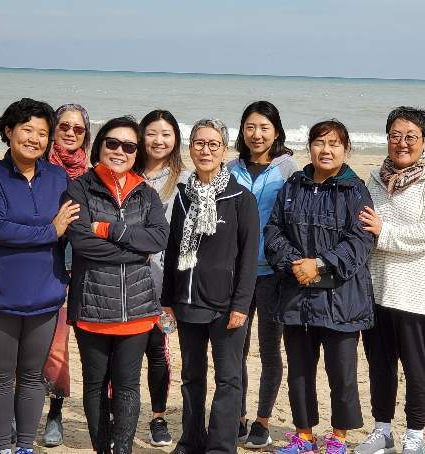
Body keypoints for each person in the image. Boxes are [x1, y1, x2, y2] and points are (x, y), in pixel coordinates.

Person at [0, 98, 81, 454]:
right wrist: (49, 230)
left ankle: (24, 447)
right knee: (0, 376)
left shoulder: (57, 178)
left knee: (33, 377)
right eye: (27, 130)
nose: (34, 139)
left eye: (43, 133)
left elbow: (73, 225)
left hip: (45, 293)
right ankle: (2, 447)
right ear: (9, 131)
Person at [264, 119, 375, 454]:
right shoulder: (294, 186)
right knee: (299, 371)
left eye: (334, 144)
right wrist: (296, 265)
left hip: (342, 299)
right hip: (297, 295)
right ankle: (304, 435)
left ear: (346, 149)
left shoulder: (354, 191)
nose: (326, 150)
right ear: (309, 147)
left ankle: (338, 437)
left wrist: (320, 264)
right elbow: (274, 231)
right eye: (319, 143)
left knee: (341, 373)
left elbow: (360, 241)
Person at [64, 116, 170, 454]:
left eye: (129, 146)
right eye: (112, 143)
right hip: (92, 304)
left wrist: (109, 229)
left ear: (137, 153)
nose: (120, 151)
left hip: (137, 308)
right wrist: (134, 252)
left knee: (127, 387)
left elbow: (158, 238)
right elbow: (82, 242)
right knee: (95, 385)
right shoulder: (79, 188)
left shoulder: (146, 193)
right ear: (99, 146)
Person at [354, 107, 425, 454]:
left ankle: (415, 436)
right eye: (395, 136)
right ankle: (382, 431)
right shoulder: (374, 179)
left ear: (423, 141)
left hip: (418, 293)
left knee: (418, 369)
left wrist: (383, 232)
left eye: (411, 136)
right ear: (387, 139)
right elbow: (361, 225)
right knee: (380, 367)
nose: (402, 143)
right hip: (377, 289)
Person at [160, 118, 259, 454]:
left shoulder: (241, 198)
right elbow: (173, 250)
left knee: (228, 379)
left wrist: (241, 305)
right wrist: (167, 299)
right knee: (191, 376)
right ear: (190, 149)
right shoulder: (183, 197)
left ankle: (220, 446)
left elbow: (248, 258)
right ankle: (191, 440)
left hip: (226, 305)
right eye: (199, 144)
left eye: (213, 144)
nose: (206, 150)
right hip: (187, 301)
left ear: (224, 150)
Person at [226, 100, 297, 448]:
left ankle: (263, 420)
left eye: (264, 127)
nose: (257, 134)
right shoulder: (230, 168)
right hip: (235, 274)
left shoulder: (288, 169)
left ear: (277, 131)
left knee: (270, 350)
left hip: (272, 275)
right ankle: (238, 416)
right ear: (242, 131)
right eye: (250, 127)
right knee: (235, 349)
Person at [138, 109, 192, 447]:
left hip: (164, 281)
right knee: (123, 352)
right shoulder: (128, 173)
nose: (159, 140)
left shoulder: (184, 180)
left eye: (166, 134)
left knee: (158, 350)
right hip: (126, 276)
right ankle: (117, 412)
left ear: (175, 139)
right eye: (152, 133)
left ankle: (158, 417)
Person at [41, 102, 91, 447]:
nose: (71, 133)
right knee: (54, 345)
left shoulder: (95, 171)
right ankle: (54, 412)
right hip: (50, 267)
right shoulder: (40, 169)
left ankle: (95, 411)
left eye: (79, 128)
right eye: (64, 126)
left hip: (86, 268)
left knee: (95, 346)